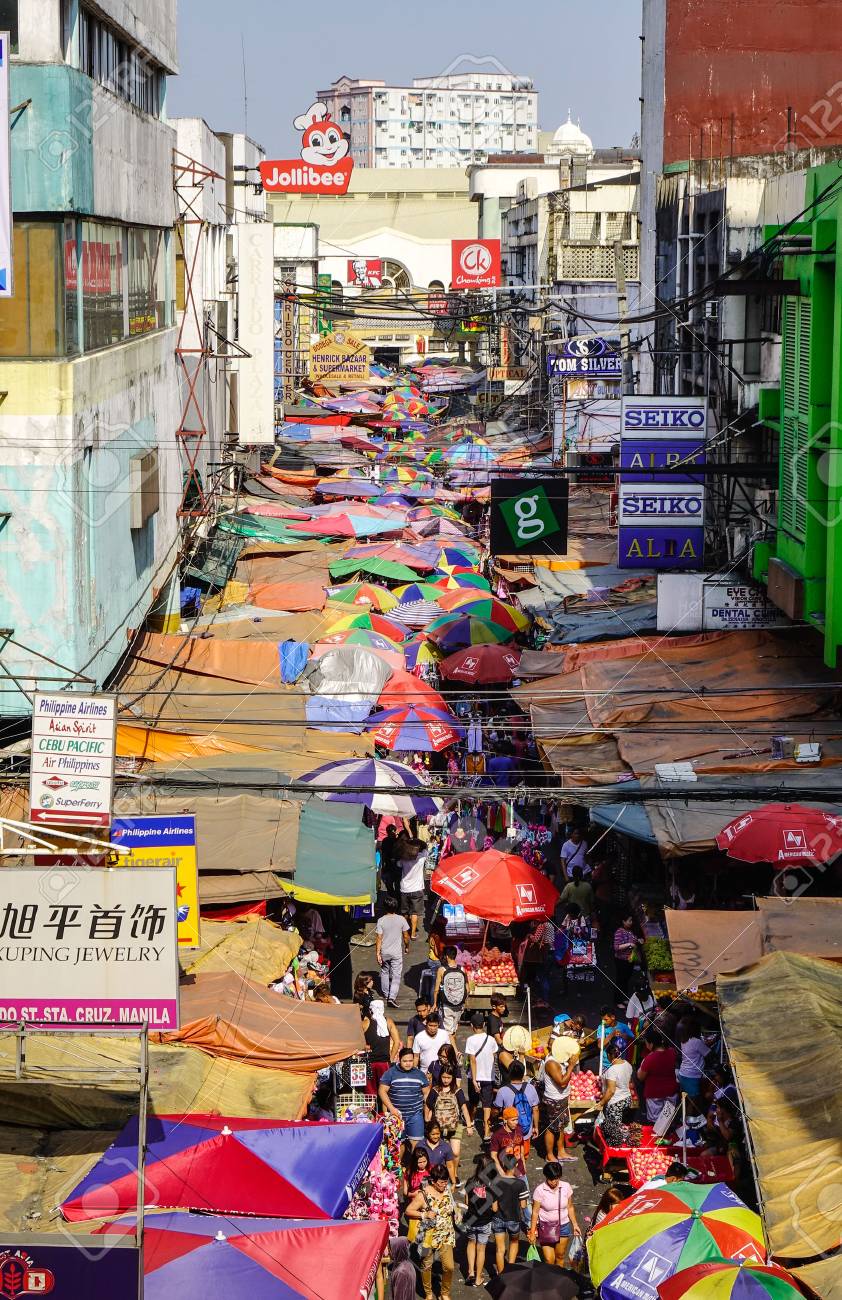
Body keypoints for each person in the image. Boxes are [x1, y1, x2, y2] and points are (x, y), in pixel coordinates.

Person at [405, 1164, 460, 1300]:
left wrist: (457, 1212)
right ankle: (428, 1293)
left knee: (449, 1267)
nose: (444, 1185)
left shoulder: (447, 1189)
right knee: (426, 1265)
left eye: (446, 1181)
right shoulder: (423, 1195)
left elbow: (453, 1205)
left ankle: (444, 1293)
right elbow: (408, 1211)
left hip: (446, 1235)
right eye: (441, 1182)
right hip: (427, 1237)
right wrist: (424, 1215)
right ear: (433, 1181)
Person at [425, 1066, 473, 1184]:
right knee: (437, 1151)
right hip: (438, 1127)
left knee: (455, 1152)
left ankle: (454, 1173)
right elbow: (428, 1106)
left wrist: (469, 1125)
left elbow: (464, 1108)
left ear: (452, 1078)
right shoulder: (435, 1090)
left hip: (455, 1126)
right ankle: (439, 1174)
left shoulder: (457, 1091)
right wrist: (427, 1120)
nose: (446, 1080)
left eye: (448, 1077)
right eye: (443, 1077)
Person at [527, 1161, 580, 1267]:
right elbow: (535, 1212)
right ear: (546, 1176)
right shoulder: (540, 1190)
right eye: (551, 1179)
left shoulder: (566, 1187)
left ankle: (558, 1280)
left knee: (560, 1256)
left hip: (563, 1226)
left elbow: (570, 1207)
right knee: (549, 1260)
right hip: (545, 1227)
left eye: (556, 1178)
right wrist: (532, 1231)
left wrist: (575, 1224)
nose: (554, 1182)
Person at [379, 1047, 430, 1143]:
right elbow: (382, 1091)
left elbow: (427, 1093)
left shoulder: (420, 1074)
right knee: (398, 1144)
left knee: (417, 1143)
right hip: (396, 1115)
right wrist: (391, 1109)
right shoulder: (390, 1073)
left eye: (410, 1061)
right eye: (405, 1061)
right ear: (399, 1059)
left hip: (415, 1115)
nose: (408, 1063)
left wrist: (427, 1112)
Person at [490, 1152, 529, 1274]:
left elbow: (494, 1208)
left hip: (498, 1219)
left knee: (500, 1249)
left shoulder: (495, 1182)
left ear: (503, 1165)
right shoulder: (520, 1184)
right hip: (514, 1219)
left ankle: (501, 1273)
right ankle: (510, 1270)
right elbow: (523, 1205)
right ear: (516, 1165)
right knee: (514, 1242)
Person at [462, 1154, 496, 1288]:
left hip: (471, 1220)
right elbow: (494, 1208)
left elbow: (466, 1202)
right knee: (481, 1249)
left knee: (471, 1243)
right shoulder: (492, 1186)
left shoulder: (470, 1181)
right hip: (485, 1221)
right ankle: (478, 1277)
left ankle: (470, 1272)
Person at [465, 1011, 499, 1141]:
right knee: (487, 1105)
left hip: (475, 1077)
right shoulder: (490, 1040)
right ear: (484, 1024)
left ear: (471, 1025)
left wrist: (474, 1079)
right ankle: (486, 1132)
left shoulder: (470, 1040)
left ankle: (471, 1121)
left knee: (473, 1103)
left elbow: (472, 1060)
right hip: (488, 1077)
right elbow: (494, 1056)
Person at [538, 1048, 576, 1163]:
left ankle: (561, 1151)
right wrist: (571, 1066)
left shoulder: (560, 1060)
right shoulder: (551, 1063)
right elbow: (562, 1082)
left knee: (560, 1126)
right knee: (551, 1128)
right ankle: (549, 1155)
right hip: (554, 1100)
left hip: (561, 1099)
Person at [493, 1060, 540, 1147]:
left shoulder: (503, 1090)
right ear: (523, 1074)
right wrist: (536, 1127)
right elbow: (535, 1109)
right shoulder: (531, 1088)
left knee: (509, 1158)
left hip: (509, 1133)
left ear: (509, 1074)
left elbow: (496, 1111)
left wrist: (491, 1118)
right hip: (526, 1132)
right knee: (523, 1156)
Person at [375, 896, 410, 1007]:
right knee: (396, 975)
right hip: (396, 953)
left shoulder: (381, 920)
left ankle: (385, 994)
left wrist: (377, 953)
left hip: (385, 951)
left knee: (385, 972)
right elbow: (406, 936)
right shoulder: (401, 919)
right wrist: (407, 946)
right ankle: (392, 997)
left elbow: (379, 938)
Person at [637, 1033, 679, 1124]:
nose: (646, 1045)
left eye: (647, 1043)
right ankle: (668, 1136)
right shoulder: (672, 1052)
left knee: (655, 1122)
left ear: (651, 1044)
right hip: (671, 1091)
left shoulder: (649, 1058)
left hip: (654, 1094)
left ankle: (657, 1137)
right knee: (668, 1119)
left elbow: (640, 1077)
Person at [598, 1040, 634, 1146]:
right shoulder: (627, 1064)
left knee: (613, 1130)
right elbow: (630, 1083)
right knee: (621, 1126)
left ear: (610, 1055)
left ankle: (615, 1150)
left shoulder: (612, 1070)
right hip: (627, 1099)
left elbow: (611, 1090)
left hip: (616, 1102)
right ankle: (624, 1143)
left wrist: (601, 1103)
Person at [433, 946, 468, 1034]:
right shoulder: (462, 969)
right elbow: (468, 988)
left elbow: (436, 990)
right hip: (459, 1004)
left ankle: (451, 1047)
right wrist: (463, 1000)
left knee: (447, 1031)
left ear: (447, 956)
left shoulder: (442, 970)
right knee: (454, 1029)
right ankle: (452, 1046)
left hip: (447, 1005)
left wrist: (434, 1004)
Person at [678, 1016, 713, 1101]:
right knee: (693, 1102)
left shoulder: (684, 1040)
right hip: (692, 1076)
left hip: (683, 1073)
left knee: (686, 1100)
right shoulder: (696, 1042)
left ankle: (687, 1114)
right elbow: (709, 1054)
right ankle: (692, 1114)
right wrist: (712, 1043)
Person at [398, 837, 427, 939]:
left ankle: (405, 931)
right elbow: (425, 848)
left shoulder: (403, 859)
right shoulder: (421, 857)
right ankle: (413, 934)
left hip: (404, 888)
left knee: (404, 912)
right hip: (417, 890)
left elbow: (398, 864)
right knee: (414, 913)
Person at [490, 1107, 529, 1180]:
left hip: (520, 1170)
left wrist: (523, 1164)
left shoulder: (519, 1129)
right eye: (513, 1120)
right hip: (507, 1172)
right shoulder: (497, 1135)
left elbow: (521, 1147)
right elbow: (493, 1155)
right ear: (505, 1120)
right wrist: (501, 1171)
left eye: (517, 1119)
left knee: (525, 1190)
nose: (516, 1122)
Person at [419, 1120, 456, 1186]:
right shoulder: (420, 1146)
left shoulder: (446, 1147)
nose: (436, 1136)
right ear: (427, 1133)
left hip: (440, 1180)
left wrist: (453, 1182)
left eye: (438, 1134)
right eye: (433, 1134)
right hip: (424, 1179)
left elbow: (450, 1166)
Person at [613, 916, 641, 994]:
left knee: (626, 979)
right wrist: (630, 944)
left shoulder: (630, 931)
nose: (631, 922)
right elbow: (616, 947)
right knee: (621, 980)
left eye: (631, 920)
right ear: (623, 921)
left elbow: (633, 940)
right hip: (621, 960)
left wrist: (638, 940)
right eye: (629, 921)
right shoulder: (619, 932)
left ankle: (623, 997)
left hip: (629, 959)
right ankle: (618, 1000)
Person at [380, 826, 401, 898]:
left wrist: (383, 865)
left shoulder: (386, 840)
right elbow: (383, 854)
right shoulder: (397, 840)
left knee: (390, 884)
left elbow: (383, 854)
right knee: (395, 883)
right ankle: (395, 899)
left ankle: (392, 898)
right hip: (395, 865)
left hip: (390, 865)